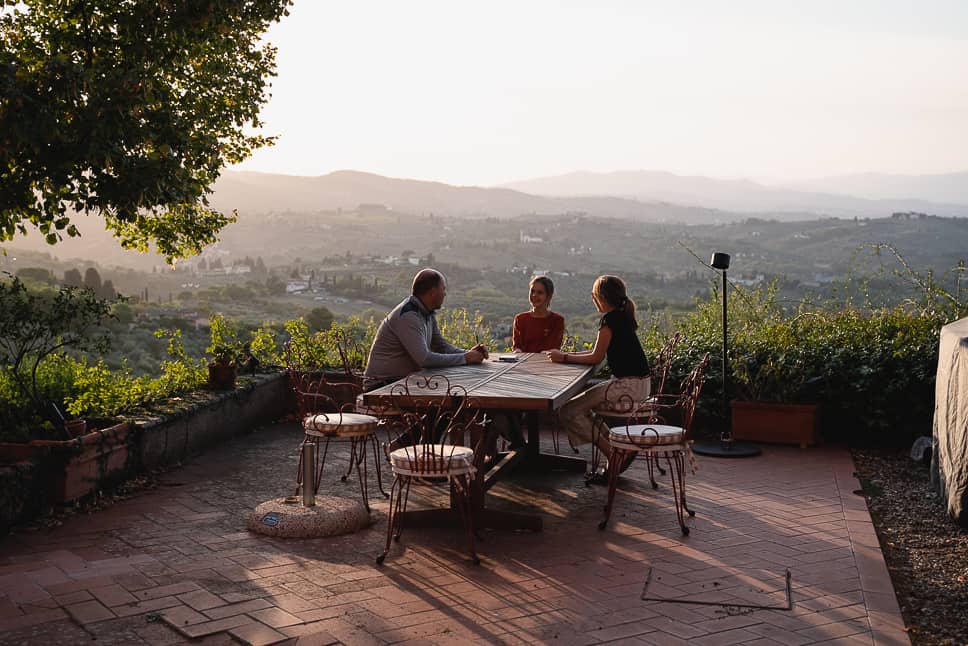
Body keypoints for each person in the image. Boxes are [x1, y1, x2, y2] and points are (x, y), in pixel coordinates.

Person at [546, 275, 650, 481]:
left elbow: (596, 356)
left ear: (600, 297)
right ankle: (618, 449)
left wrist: (563, 357)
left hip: (627, 387)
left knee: (568, 411)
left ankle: (613, 454)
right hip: (639, 384)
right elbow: (599, 355)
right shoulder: (622, 316)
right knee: (581, 409)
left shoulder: (609, 319)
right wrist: (566, 357)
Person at [363, 268, 487, 391]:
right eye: (443, 289)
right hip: (381, 387)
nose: (445, 294)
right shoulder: (408, 316)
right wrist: (465, 358)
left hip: (402, 382)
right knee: (448, 395)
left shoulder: (427, 313)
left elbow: (441, 346)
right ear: (433, 292)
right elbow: (424, 359)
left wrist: (468, 353)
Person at [512, 275, 565, 353]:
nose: (534, 295)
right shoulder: (520, 319)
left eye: (540, 292)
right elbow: (517, 346)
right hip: (523, 363)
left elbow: (553, 348)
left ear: (549, 296)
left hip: (546, 364)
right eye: (532, 291)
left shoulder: (557, 320)